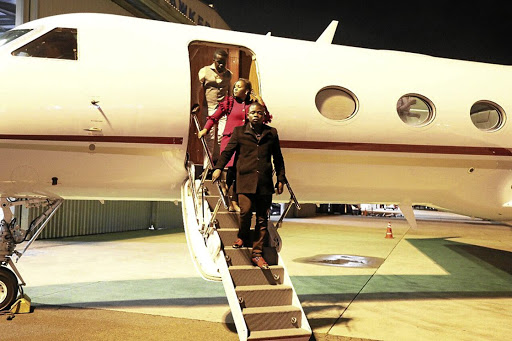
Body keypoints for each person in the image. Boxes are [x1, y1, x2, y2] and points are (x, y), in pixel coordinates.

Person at [212, 102, 286, 269]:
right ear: (247, 115)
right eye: (253, 112)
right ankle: (242, 236)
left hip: (264, 183)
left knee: (262, 219)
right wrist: (218, 168)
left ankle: (257, 254)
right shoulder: (239, 132)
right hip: (245, 180)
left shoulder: (271, 133)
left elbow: (278, 158)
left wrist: (280, 179)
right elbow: (227, 152)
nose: (256, 115)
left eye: (259, 113)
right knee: (245, 211)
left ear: (263, 115)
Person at [198, 79, 270, 212]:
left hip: (245, 143)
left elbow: (265, 119)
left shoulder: (252, 106)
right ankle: (229, 194)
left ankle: (233, 200)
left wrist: (260, 101)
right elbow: (214, 117)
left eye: (239, 87)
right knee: (231, 167)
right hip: (229, 139)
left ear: (246, 90)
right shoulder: (230, 102)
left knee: (239, 171)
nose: (235, 89)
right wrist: (205, 129)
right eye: (235, 87)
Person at [196, 49, 232, 163]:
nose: (221, 65)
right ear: (214, 60)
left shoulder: (228, 74)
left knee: (223, 136)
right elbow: (197, 89)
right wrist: (195, 103)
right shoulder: (205, 71)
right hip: (209, 107)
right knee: (209, 137)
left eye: (223, 62)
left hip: (223, 109)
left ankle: (220, 164)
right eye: (219, 62)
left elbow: (229, 92)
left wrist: (231, 107)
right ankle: (207, 165)